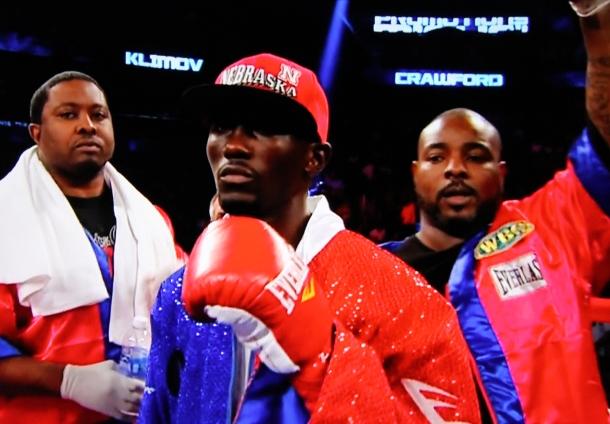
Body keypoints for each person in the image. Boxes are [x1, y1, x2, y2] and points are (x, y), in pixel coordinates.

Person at [141, 53, 481, 423]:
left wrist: (319, 352)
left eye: (264, 126)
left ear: (315, 158)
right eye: (221, 126)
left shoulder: (404, 300)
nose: (233, 145)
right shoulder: (178, 293)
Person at [381, 2, 610, 422]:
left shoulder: (551, 229)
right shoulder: (372, 274)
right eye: (437, 157)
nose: (455, 168)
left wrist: (596, 18)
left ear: (501, 173)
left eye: (475, 156)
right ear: (415, 174)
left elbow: (606, 138)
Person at [0, 71, 183, 423]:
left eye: (98, 114)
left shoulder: (152, 221)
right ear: (36, 133)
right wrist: (68, 380)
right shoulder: (6, 217)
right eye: (68, 114)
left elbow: (185, 308)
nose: (87, 125)